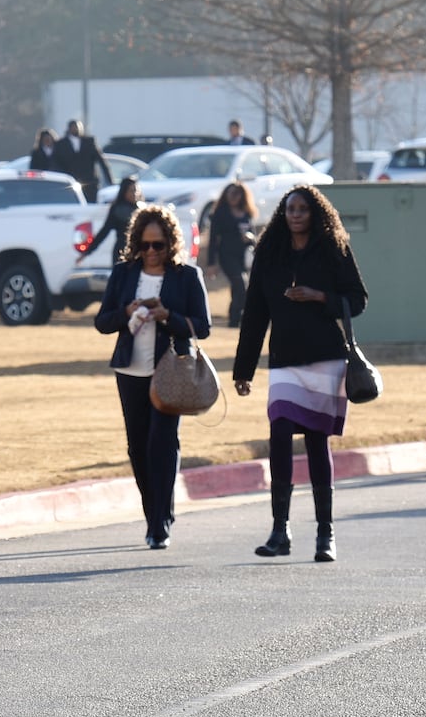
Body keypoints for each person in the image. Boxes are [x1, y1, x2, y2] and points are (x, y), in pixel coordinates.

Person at [232, 185, 367, 564]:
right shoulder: (269, 254)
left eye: (302, 209)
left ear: (315, 213)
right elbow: (255, 313)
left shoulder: (332, 249)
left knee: (315, 440)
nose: (295, 214)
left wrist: (320, 296)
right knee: (278, 433)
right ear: (282, 214)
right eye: (289, 209)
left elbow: (357, 299)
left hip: (324, 357)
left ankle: (326, 532)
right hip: (285, 360)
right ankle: (280, 529)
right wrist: (243, 369)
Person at [94, 205, 212, 550]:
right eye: (144, 245)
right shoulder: (124, 274)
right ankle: (155, 512)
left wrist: (167, 315)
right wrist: (127, 311)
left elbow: (202, 327)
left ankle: (159, 522)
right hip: (130, 371)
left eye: (157, 245)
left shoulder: (186, 276)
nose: (151, 252)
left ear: (170, 243)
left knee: (161, 442)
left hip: (171, 370)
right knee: (137, 447)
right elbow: (102, 323)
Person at [206, 181, 258, 327]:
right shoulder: (220, 214)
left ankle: (236, 318)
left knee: (241, 287)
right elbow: (213, 239)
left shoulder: (246, 213)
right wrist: (211, 263)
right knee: (240, 284)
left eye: (237, 193)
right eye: (231, 193)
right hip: (226, 255)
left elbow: (253, 237)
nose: (234, 197)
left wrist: (250, 238)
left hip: (243, 256)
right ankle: (234, 319)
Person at [79, 175, 140, 265]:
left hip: (138, 251)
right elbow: (104, 232)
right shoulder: (117, 209)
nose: (134, 194)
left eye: (136, 191)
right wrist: (87, 252)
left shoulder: (140, 209)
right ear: (124, 192)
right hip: (122, 251)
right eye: (131, 191)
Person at [56, 119, 113, 200]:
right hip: (69, 182)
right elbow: (57, 163)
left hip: (89, 182)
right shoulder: (61, 144)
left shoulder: (89, 141)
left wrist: (110, 180)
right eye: (73, 127)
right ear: (69, 129)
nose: (75, 129)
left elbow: (101, 161)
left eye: (77, 127)